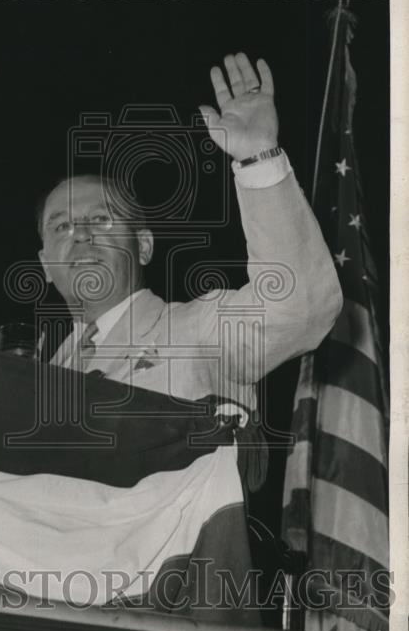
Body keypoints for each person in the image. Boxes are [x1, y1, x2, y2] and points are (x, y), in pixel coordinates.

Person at [37, 52, 343, 420]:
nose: (81, 235)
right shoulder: (33, 374)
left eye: (101, 219)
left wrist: (258, 157)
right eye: (62, 226)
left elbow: (299, 308)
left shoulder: (199, 329)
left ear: (144, 246)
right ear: (45, 265)